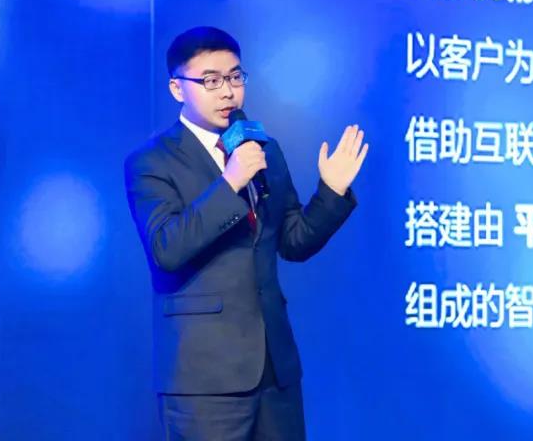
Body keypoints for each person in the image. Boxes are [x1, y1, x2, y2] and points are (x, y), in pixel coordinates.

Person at [125, 26, 368, 440]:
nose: (227, 92)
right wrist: (231, 181)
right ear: (177, 88)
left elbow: (293, 240)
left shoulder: (263, 148)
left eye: (235, 77)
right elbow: (167, 248)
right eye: (211, 81)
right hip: (206, 380)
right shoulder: (152, 161)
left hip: (276, 371)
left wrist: (331, 192)